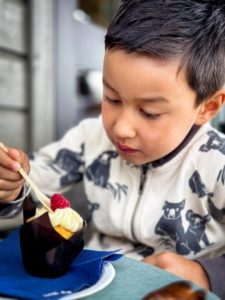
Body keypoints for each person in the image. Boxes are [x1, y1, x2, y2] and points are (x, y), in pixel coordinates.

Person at [0, 0, 225, 298]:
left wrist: (206, 273)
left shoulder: (217, 162)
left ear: (206, 107)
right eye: (112, 98)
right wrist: (12, 186)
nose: (121, 128)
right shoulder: (89, 138)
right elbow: (34, 187)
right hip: (91, 284)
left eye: (149, 112)